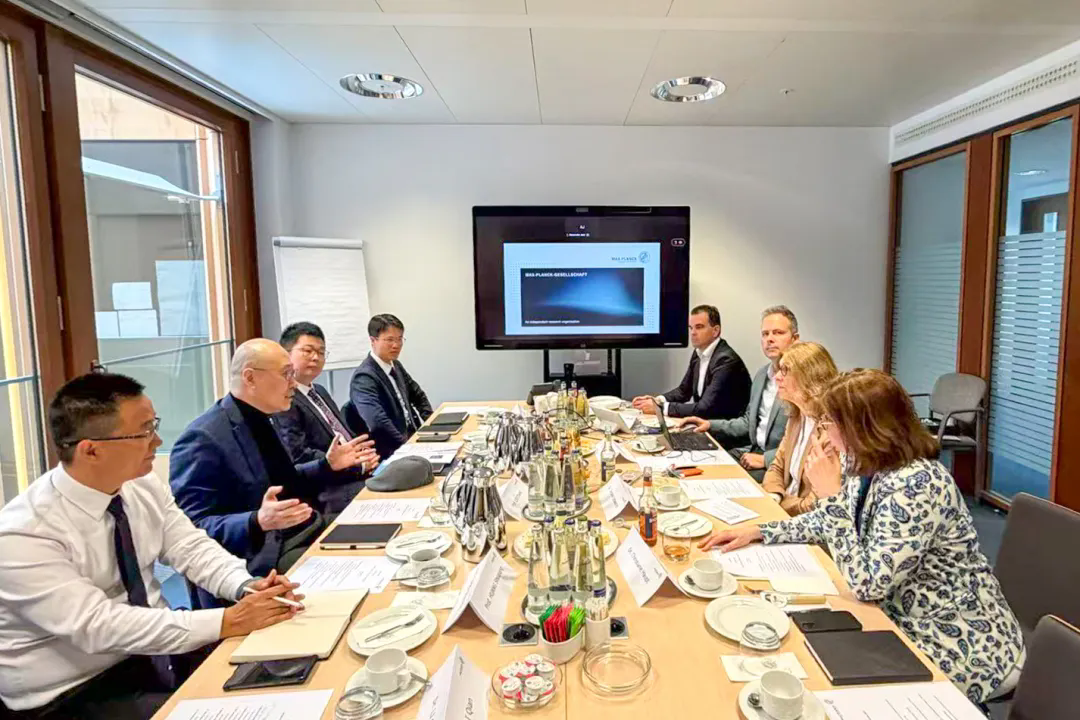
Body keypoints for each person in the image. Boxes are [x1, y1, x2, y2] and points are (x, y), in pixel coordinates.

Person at [699, 370, 1025, 703]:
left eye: (830, 423)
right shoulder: (868, 463)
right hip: (898, 616)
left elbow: (868, 584)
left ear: (862, 428)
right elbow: (825, 523)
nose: (825, 432)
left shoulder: (916, 484)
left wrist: (830, 496)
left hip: (958, 641)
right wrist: (759, 531)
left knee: (810, 675)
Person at [0, 373, 302, 719]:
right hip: (74, 689)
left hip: (154, 652)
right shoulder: (22, 534)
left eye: (153, 425)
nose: (157, 441)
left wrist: (245, 585)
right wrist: (227, 620)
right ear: (91, 449)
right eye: (143, 432)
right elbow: (98, 626)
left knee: (282, 678)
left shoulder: (140, 485)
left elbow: (190, 547)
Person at [170, 339, 372, 592]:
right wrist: (256, 520)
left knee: (378, 535)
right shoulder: (203, 438)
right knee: (359, 572)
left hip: (302, 527)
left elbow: (283, 480)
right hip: (262, 556)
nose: (293, 383)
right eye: (286, 374)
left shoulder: (266, 417)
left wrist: (327, 465)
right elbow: (189, 531)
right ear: (250, 378)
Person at [678, 305, 799, 480]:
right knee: (696, 467)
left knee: (715, 481)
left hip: (777, 464)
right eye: (765, 334)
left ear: (795, 339)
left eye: (778, 333)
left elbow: (807, 441)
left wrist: (765, 459)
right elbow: (747, 423)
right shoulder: (762, 375)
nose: (770, 339)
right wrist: (709, 425)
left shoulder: (803, 382)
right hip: (751, 451)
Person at [274, 322, 379, 514]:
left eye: (321, 352)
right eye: (308, 351)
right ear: (286, 354)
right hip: (328, 489)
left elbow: (342, 433)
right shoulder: (284, 400)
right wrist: (355, 465)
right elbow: (299, 455)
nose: (316, 357)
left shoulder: (319, 391)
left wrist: (363, 453)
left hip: (357, 472)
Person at [754, 342, 840, 515]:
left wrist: (776, 503)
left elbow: (813, 504)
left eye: (785, 370)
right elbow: (777, 467)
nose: (777, 377)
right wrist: (774, 495)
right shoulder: (797, 416)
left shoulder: (832, 430)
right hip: (781, 505)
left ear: (809, 376)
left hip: (803, 520)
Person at [631, 304, 750, 420]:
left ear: (715, 331)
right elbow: (683, 391)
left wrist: (660, 408)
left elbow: (705, 408)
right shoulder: (698, 352)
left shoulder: (726, 360)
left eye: (699, 327)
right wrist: (657, 400)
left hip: (724, 429)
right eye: (691, 328)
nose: (692, 332)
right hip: (705, 423)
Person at [350, 314, 433, 459]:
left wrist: (432, 423)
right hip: (390, 450)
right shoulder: (364, 377)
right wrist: (407, 447)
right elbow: (378, 422)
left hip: (412, 436)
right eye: (389, 340)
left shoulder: (395, 365)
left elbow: (418, 395)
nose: (396, 345)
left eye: (399, 339)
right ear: (373, 340)